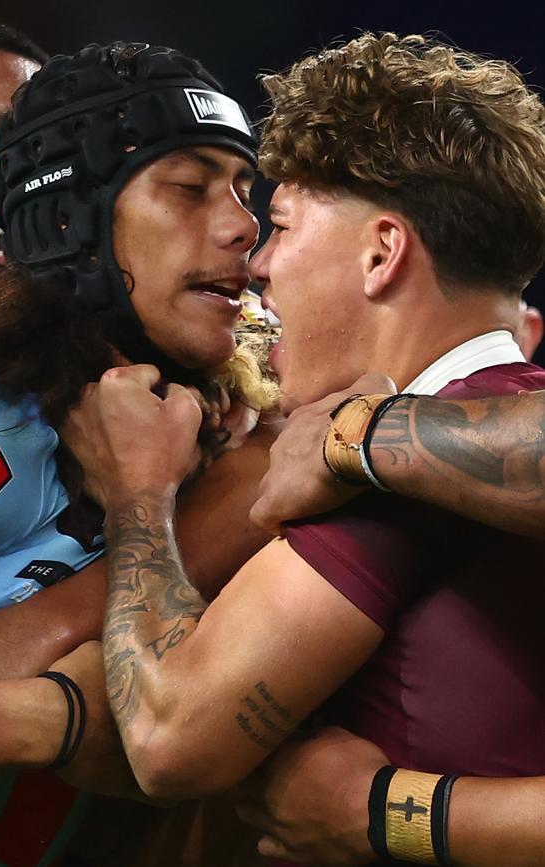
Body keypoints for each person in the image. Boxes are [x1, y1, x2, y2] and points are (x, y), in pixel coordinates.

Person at [60, 32, 545, 867]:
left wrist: (139, 489)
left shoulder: (401, 476)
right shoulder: (481, 426)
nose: (259, 266)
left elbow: (170, 734)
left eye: (279, 224)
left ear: (382, 253)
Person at [0, 21, 274, 867]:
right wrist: (54, 716)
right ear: (71, 215)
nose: (245, 227)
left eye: (246, 190)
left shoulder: (231, 408)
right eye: (188, 187)